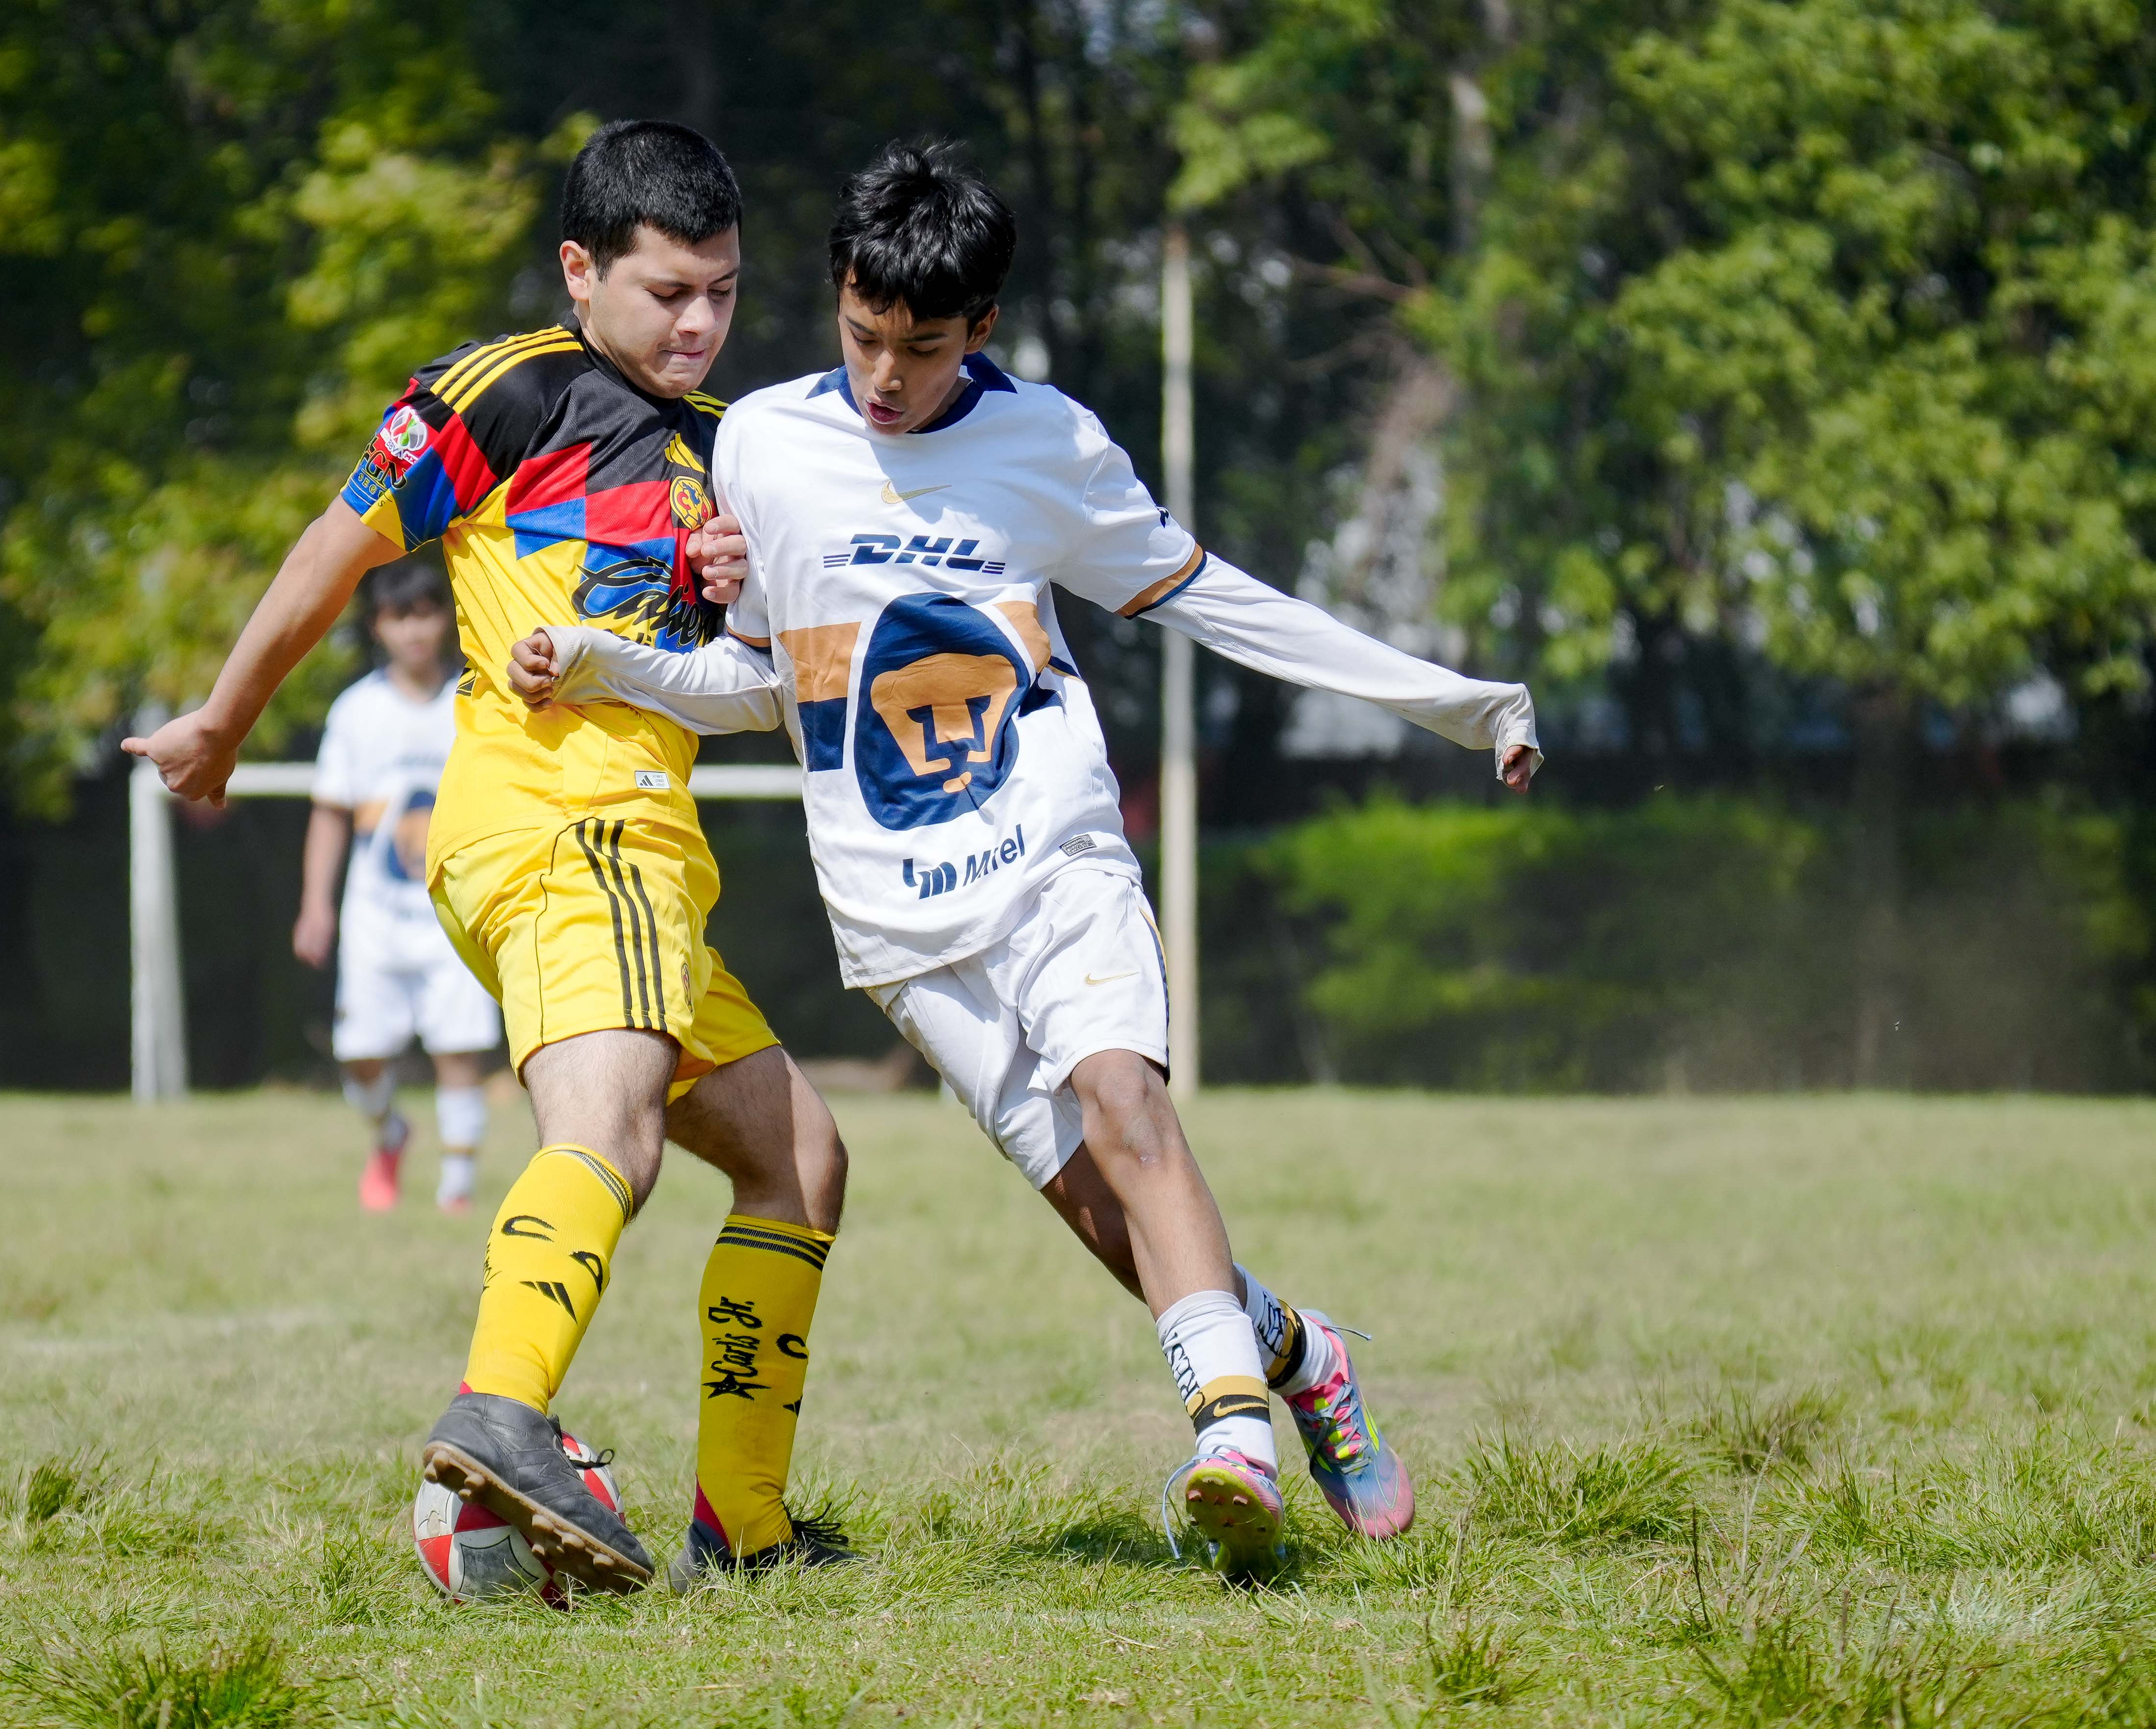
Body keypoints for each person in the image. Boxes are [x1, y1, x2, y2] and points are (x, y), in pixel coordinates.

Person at [507, 141, 1545, 1570]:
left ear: (980, 327)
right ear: (840, 296)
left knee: (1127, 1107)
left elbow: (1227, 606)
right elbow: (768, 689)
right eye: (863, 335)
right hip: (898, 923)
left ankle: (1228, 1440)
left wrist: (1457, 702)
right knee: (1105, 1215)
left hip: (1052, 857)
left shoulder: (1047, 446)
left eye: (921, 350)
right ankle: (1301, 1359)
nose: (883, 375)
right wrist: (613, 661)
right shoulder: (759, 444)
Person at [123, 120, 851, 1595]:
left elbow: (759, 675)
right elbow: (335, 550)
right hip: (568, 826)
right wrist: (222, 717)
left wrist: (747, 594)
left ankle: (746, 1524)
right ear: (580, 271)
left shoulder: (737, 454)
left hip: (631, 853)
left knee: (800, 1159)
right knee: (613, 1139)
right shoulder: (506, 389)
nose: (699, 323)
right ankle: (501, 1412)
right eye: (665, 292)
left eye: (720, 290)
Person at [294, 561, 500, 1215]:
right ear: (380, 626)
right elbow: (329, 811)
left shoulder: (476, 701)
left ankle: (457, 1188)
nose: (415, 631)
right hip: (376, 916)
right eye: (399, 617)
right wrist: (315, 905)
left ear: (447, 618)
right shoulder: (356, 712)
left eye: (426, 613)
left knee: (459, 1045)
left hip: (454, 910)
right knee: (360, 1054)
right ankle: (390, 1132)